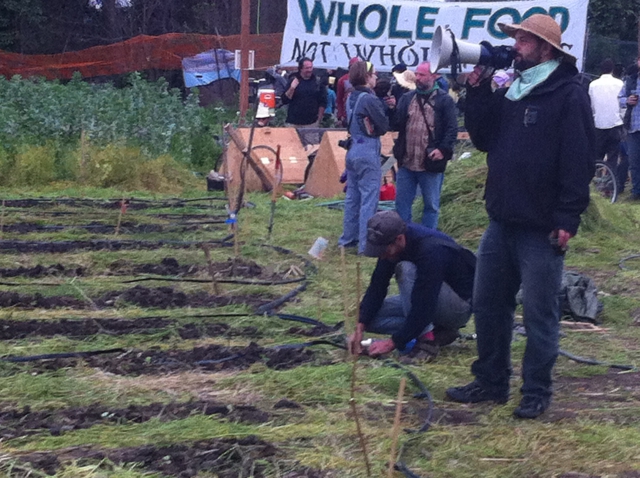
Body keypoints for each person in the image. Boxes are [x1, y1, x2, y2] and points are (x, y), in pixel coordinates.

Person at [445, 14, 596, 419]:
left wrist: (567, 217)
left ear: (545, 49)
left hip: (541, 226)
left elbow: (579, 159)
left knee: (538, 313)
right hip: (502, 221)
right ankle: (491, 381)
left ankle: (536, 391)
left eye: (523, 40)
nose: (515, 46)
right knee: (487, 305)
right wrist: (478, 90)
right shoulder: (514, 89)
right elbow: (483, 139)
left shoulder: (568, 93)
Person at [347, 210, 474, 357]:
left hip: (458, 307)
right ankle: (439, 331)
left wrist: (393, 342)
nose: (382, 255)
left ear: (399, 239)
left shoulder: (431, 250)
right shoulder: (390, 245)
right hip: (427, 297)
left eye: (384, 250)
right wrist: (360, 326)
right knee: (368, 317)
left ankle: (427, 342)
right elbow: (377, 286)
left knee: (406, 270)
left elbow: (425, 302)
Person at [390, 62, 458, 229]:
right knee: (401, 206)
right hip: (407, 161)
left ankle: (428, 238)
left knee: (431, 206)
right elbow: (396, 124)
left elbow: (452, 129)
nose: (417, 78)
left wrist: (442, 150)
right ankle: (403, 238)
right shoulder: (407, 98)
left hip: (429, 162)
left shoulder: (444, 100)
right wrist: (391, 109)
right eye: (417, 74)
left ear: (434, 76)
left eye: (422, 75)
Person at [337, 61, 389, 254]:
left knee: (353, 197)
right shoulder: (369, 99)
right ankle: (366, 245)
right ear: (366, 77)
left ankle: (347, 239)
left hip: (353, 149)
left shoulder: (350, 96)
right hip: (367, 149)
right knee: (369, 198)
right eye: (374, 74)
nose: (376, 77)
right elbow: (383, 126)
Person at [589, 58, 624, 190]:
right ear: (612, 69)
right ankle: (610, 185)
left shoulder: (593, 85)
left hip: (598, 124)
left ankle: (597, 182)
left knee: (597, 156)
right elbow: (622, 105)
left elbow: (592, 106)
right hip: (615, 124)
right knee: (613, 157)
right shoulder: (620, 83)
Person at [282, 57, 327, 128]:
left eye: (311, 67)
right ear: (301, 69)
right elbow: (285, 100)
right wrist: (292, 88)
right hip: (293, 123)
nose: (309, 70)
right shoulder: (293, 79)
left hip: (311, 123)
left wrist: (319, 120)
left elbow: (323, 102)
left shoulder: (317, 81)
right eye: (307, 68)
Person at [621, 56, 640, 199]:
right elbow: (620, 98)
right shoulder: (631, 79)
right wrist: (627, 100)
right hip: (633, 127)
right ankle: (636, 191)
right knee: (634, 161)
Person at [336, 57, 361, 126]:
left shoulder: (366, 78)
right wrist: (340, 115)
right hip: (347, 114)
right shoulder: (342, 80)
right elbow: (339, 99)